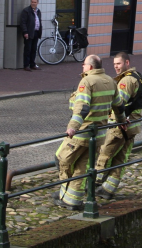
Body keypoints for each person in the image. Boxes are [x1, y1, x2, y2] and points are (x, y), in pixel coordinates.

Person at [53, 54, 124, 210]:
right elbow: (119, 106)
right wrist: (122, 120)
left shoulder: (87, 81)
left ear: (90, 67)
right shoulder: (111, 81)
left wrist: (73, 127)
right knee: (82, 166)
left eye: (84, 64)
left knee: (61, 159)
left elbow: (82, 107)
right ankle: (72, 200)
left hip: (82, 133)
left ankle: (64, 194)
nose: (82, 67)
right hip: (98, 136)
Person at [95, 52, 142, 200]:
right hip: (133, 126)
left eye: (119, 64)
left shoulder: (126, 81)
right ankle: (108, 189)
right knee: (120, 159)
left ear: (127, 63)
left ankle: (91, 186)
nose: (116, 67)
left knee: (104, 155)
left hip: (120, 126)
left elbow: (119, 104)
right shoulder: (138, 77)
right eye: (114, 64)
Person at [19, 0, 42, 71]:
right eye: (32, 2)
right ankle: (26, 65)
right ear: (30, 2)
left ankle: (32, 64)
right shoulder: (26, 11)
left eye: (35, 2)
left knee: (34, 49)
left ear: (37, 3)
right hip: (29, 33)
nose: (33, 3)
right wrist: (25, 32)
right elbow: (23, 22)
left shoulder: (38, 11)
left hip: (36, 32)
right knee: (28, 49)